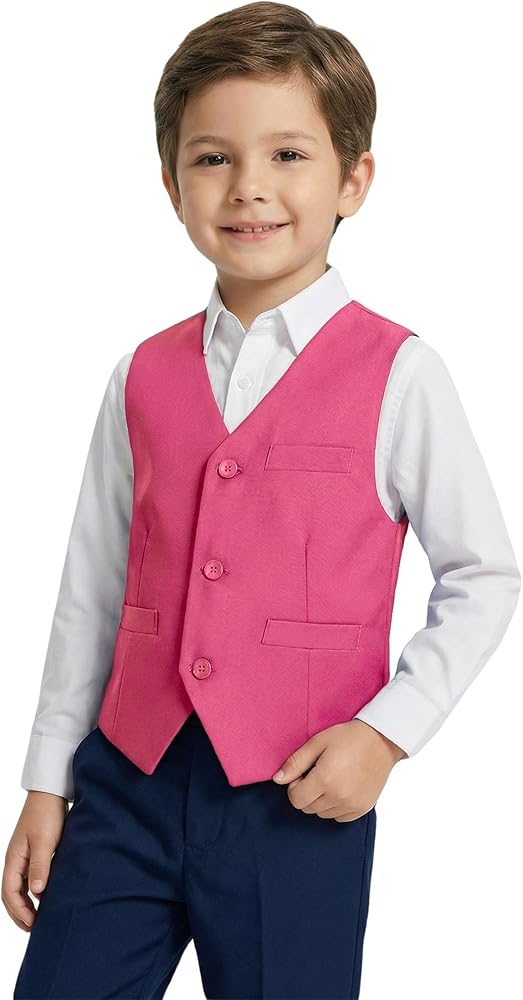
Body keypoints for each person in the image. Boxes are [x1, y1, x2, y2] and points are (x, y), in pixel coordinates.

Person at [4, 3, 520, 998]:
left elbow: (483, 575)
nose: (248, 186)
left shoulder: (400, 373)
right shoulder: (138, 375)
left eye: (287, 154)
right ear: (171, 185)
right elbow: (94, 590)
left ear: (353, 180)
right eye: (212, 158)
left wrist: (386, 733)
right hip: (126, 785)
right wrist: (45, 780)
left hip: (295, 796)